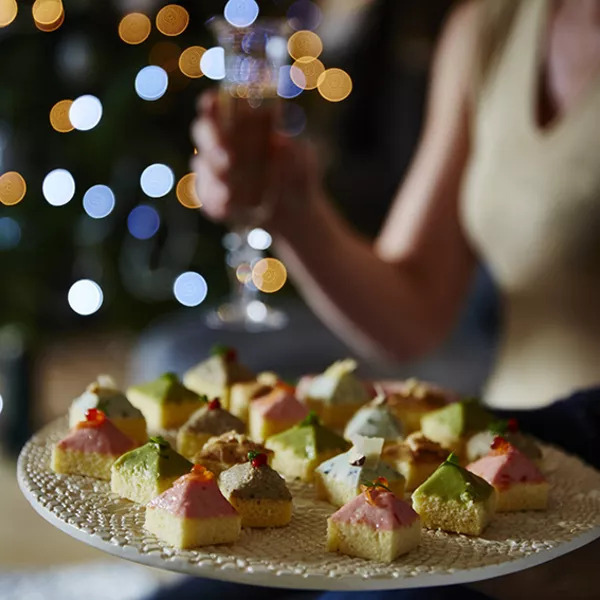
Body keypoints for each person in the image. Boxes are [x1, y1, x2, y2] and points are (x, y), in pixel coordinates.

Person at [189, 0, 600, 597]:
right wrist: (289, 206)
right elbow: (414, 311)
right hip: (498, 476)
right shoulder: (493, 25)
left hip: (564, 490)